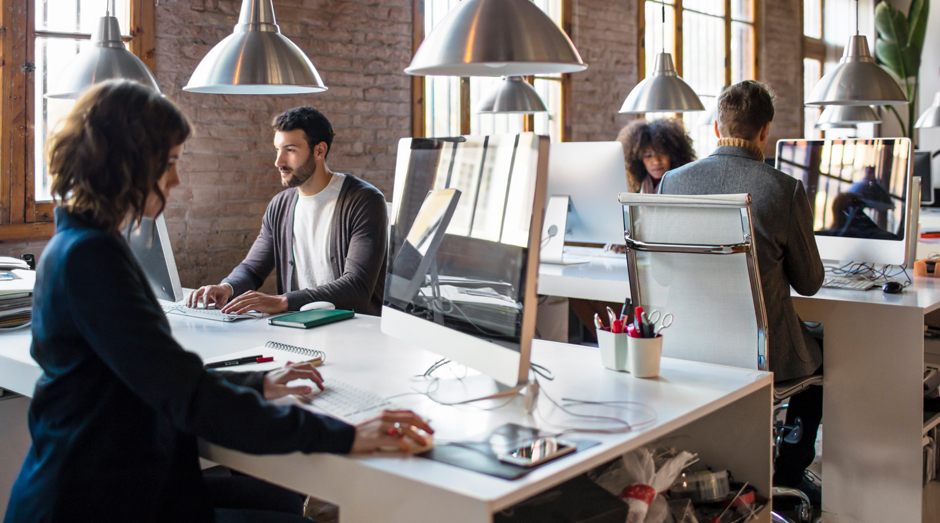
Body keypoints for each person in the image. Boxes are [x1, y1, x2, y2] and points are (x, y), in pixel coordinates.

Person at [3, 80, 431, 523]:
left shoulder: (80, 243)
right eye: (168, 162)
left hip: (118, 487)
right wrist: (344, 435)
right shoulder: (91, 258)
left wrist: (261, 384)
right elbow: (186, 394)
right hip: (95, 503)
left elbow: (164, 377)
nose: (175, 178)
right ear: (128, 162)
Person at [657, 80, 824, 500]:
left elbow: (661, 277)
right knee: (828, 343)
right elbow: (810, 282)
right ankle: (790, 468)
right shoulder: (783, 188)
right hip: (763, 354)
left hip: (690, 348)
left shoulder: (672, 183)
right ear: (765, 130)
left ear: (717, 127)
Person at [188, 107, 388, 316]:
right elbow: (253, 269)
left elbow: (356, 288)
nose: (279, 162)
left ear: (320, 151)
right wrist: (226, 287)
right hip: (297, 329)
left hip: (354, 331)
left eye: (290, 150)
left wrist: (283, 301)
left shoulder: (364, 201)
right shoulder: (280, 205)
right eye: (277, 149)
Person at [616, 118, 696, 194]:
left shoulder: (686, 187)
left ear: (673, 156)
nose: (656, 161)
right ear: (639, 159)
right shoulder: (634, 188)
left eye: (662, 153)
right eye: (648, 156)